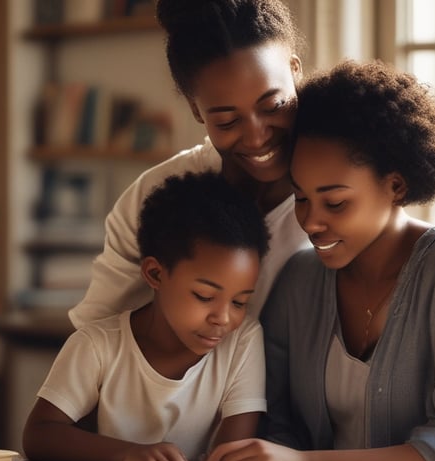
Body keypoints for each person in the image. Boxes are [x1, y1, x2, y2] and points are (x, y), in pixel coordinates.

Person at [202, 60, 435, 461]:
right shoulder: (299, 281)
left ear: (397, 186)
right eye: (302, 197)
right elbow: (275, 420)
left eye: (336, 202)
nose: (310, 221)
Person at [68, 0, 309, 327]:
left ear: (295, 70)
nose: (256, 138)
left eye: (274, 106)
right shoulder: (154, 198)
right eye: (227, 121)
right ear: (197, 111)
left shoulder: (342, 192)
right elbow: (94, 335)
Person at [23, 172, 271, 461]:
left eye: (239, 302)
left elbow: (230, 457)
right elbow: (39, 434)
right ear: (155, 273)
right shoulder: (98, 345)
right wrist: (130, 454)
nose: (223, 318)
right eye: (205, 297)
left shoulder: (242, 341)